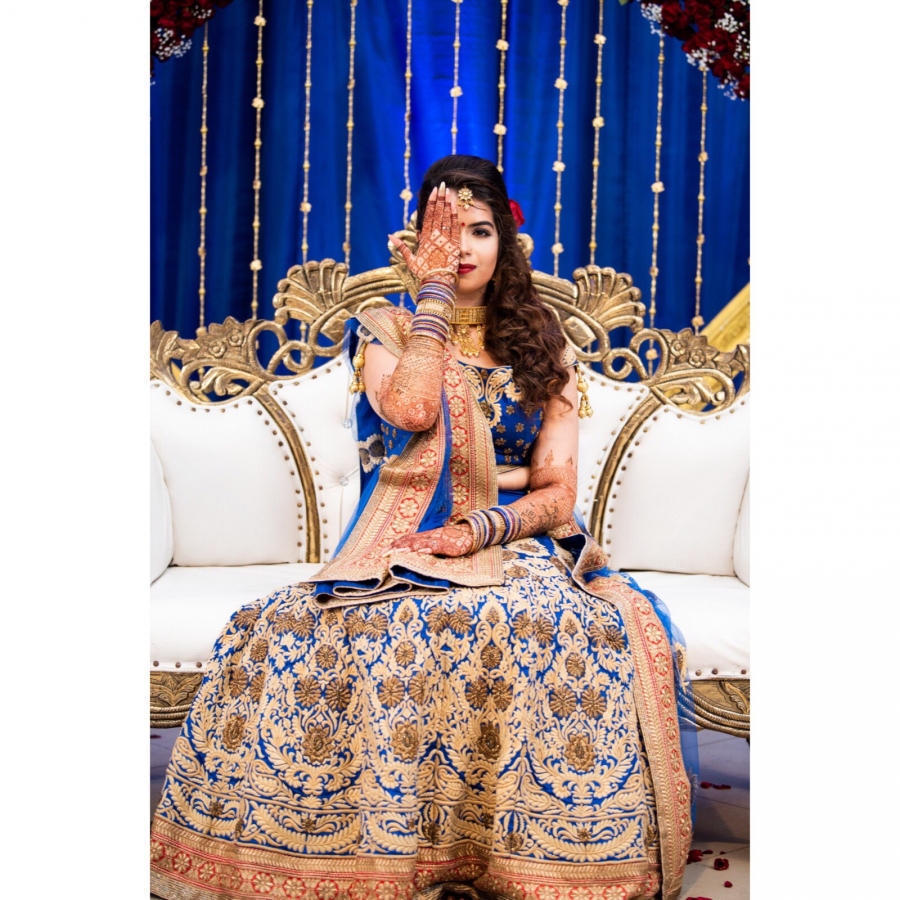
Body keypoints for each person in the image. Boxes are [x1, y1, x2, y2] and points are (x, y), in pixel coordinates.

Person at [151, 155, 695, 900]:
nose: (462, 247)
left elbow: (557, 494)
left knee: (536, 621)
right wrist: (432, 296)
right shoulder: (387, 328)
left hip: (511, 540)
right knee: (307, 625)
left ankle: (515, 853)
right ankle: (373, 845)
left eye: (480, 230)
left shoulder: (543, 342)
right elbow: (410, 411)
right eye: (446, 231)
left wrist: (481, 524)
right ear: (416, 242)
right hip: (400, 535)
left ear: (506, 241)